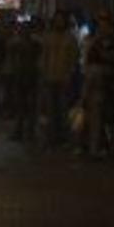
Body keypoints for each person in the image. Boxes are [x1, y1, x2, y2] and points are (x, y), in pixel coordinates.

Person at [40, 12, 79, 146]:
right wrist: (44, 73)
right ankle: (51, 137)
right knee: (51, 109)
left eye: (61, 20)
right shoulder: (49, 37)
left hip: (64, 77)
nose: (59, 23)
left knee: (63, 109)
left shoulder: (70, 38)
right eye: (57, 20)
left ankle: (63, 137)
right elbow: (44, 56)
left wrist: (71, 74)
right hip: (50, 76)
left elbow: (74, 58)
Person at [81, 11, 114, 157]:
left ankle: (104, 146)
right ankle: (94, 147)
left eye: (105, 25)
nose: (103, 28)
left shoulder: (113, 42)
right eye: (101, 25)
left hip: (110, 83)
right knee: (95, 116)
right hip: (95, 82)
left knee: (106, 117)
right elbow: (87, 61)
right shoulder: (92, 41)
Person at [9, 23, 41, 141]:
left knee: (28, 106)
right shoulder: (18, 44)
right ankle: (23, 131)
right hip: (22, 76)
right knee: (23, 106)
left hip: (29, 76)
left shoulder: (33, 44)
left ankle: (26, 131)